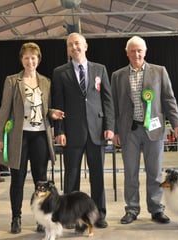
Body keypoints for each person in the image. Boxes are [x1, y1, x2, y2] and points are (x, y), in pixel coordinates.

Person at [111, 36, 178, 225]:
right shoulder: (117, 76)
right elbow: (113, 106)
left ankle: (156, 209)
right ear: (127, 53)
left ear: (145, 51)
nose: (136, 54)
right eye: (133, 50)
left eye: (139, 50)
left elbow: (169, 99)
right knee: (130, 173)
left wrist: (177, 124)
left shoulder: (159, 72)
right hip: (129, 131)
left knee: (155, 172)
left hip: (154, 130)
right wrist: (114, 131)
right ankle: (132, 209)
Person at [0, 42, 64, 234]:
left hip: (40, 136)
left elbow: (44, 108)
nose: (30, 61)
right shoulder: (12, 81)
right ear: (22, 60)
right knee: (17, 179)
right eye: (26, 58)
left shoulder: (46, 82)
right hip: (19, 136)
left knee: (40, 180)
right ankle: (16, 218)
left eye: (33, 58)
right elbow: (4, 109)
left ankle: (41, 218)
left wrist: (52, 113)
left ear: (38, 60)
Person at [52, 32, 115, 229]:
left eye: (77, 44)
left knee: (98, 176)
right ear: (68, 49)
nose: (74, 47)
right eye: (70, 45)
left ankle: (99, 215)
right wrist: (59, 131)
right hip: (72, 133)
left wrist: (109, 127)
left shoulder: (100, 69)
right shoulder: (60, 72)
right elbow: (58, 103)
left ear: (86, 46)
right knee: (71, 177)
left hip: (97, 132)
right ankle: (71, 218)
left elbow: (107, 100)